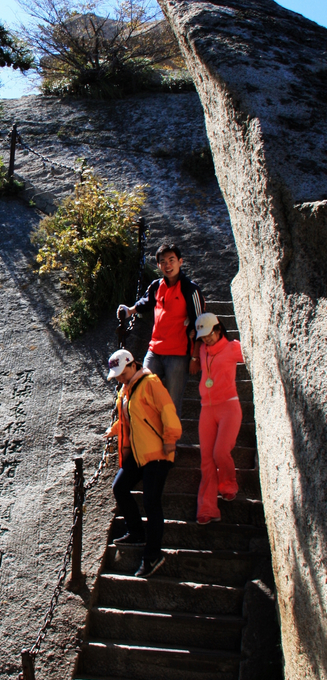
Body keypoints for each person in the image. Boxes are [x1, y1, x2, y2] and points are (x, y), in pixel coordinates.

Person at [106, 348, 182, 578]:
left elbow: (168, 411)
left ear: (132, 365)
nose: (119, 377)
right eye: (116, 375)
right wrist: (115, 430)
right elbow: (130, 419)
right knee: (119, 487)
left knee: (151, 503)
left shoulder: (150, 383)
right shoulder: (126, 390)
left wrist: (170, 440)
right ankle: (136, 532)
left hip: (158, 452)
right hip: (140, 454)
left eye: (121, 372)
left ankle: (152, 556)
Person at [117, 242, 205, 417]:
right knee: (141, 392)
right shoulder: (157, 286)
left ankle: (170, 443)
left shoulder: (190, 289)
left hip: (179, 355)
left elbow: (200, 324)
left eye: (171, 260)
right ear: (158, 265)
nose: (167, 265)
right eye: (163, 261)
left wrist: (195, 357)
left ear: (180, 261)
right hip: (155, 351)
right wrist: (129, 311)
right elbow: (146, 302)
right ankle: (147, 439)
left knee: (172, 402)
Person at [193, 312, 245, 524]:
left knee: (220, 452)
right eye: (203, 336)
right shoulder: (203, 349)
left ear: (219, 329)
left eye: (209, 334)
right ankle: (207, 508)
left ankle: (228, 484)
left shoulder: (233, 348)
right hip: (207, 408)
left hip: (229, 407)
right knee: (206, 460)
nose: (206, 339)